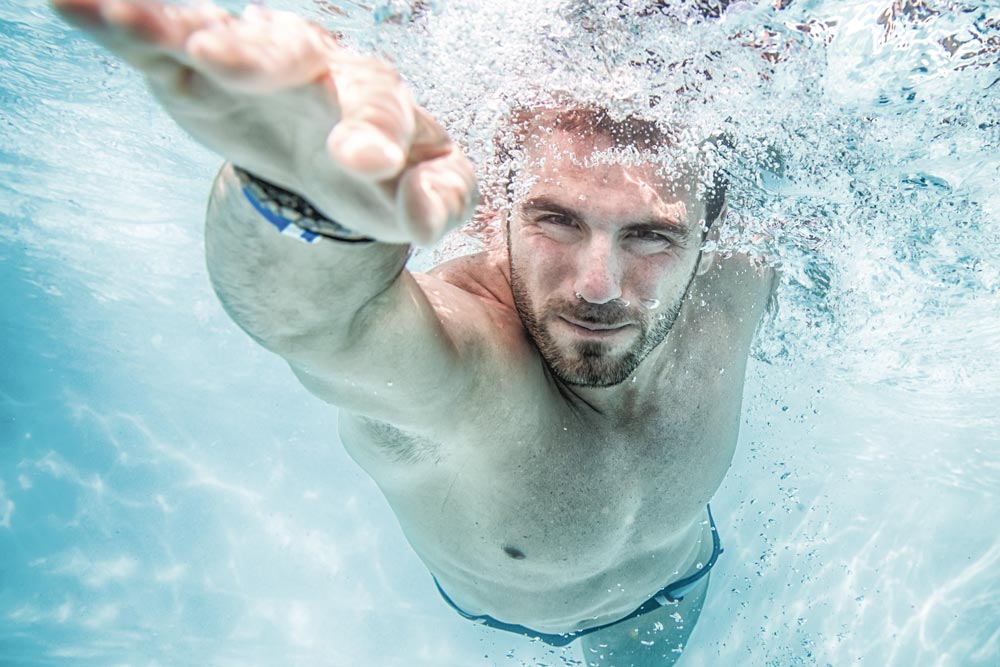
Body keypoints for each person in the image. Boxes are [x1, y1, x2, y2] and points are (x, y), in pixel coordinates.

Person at [52, 1, 775, 664]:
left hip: (681, 585)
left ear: (709, 238)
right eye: (556, 220)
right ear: (497, 212)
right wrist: (299, 193)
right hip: (508, 618)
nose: (599, 284)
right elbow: (322, 323)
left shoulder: (737, 282)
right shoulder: (468, 364)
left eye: (651, 237)